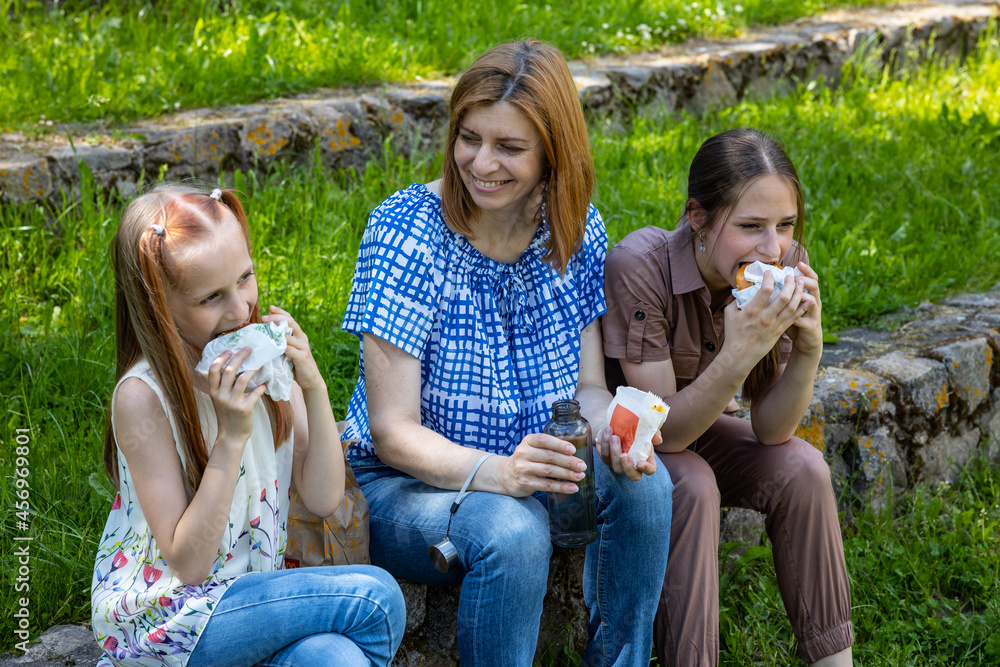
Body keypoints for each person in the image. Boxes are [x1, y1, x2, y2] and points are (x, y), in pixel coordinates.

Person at [341, 40, 672, 666]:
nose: (481, 163)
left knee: (649, 489)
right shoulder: (407, 233)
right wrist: (503, 476)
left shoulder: (573, 229)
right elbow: (391, 433)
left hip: (534, 472)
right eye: (470, 138)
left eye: (509, 148)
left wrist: (614, 433)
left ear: (554, 155)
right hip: (404, 489)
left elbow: (589, 389)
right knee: (513, 531)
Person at [91, 184, 405, 667]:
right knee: (375, 596)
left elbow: (322, 497)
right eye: (210, 297)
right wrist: (232, 435)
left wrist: (313, 386)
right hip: (170, 620)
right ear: (160, 306)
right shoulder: (144, 397)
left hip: (254, 597)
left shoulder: (265, 363)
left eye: (245, 278)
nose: (239, 309)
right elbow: (189, 563)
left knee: (335, 657)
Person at [602, 128, 853, 666]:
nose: (773, 247)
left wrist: (808, 349)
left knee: (804, 468)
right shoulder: (640, 266)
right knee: (691, 482)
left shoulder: (782, 266)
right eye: (750, 227)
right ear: (697, 217)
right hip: (626, 443)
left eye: (785, 225)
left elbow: (772, 431)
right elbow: (661, 435)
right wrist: (740, 350)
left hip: (699, 428)